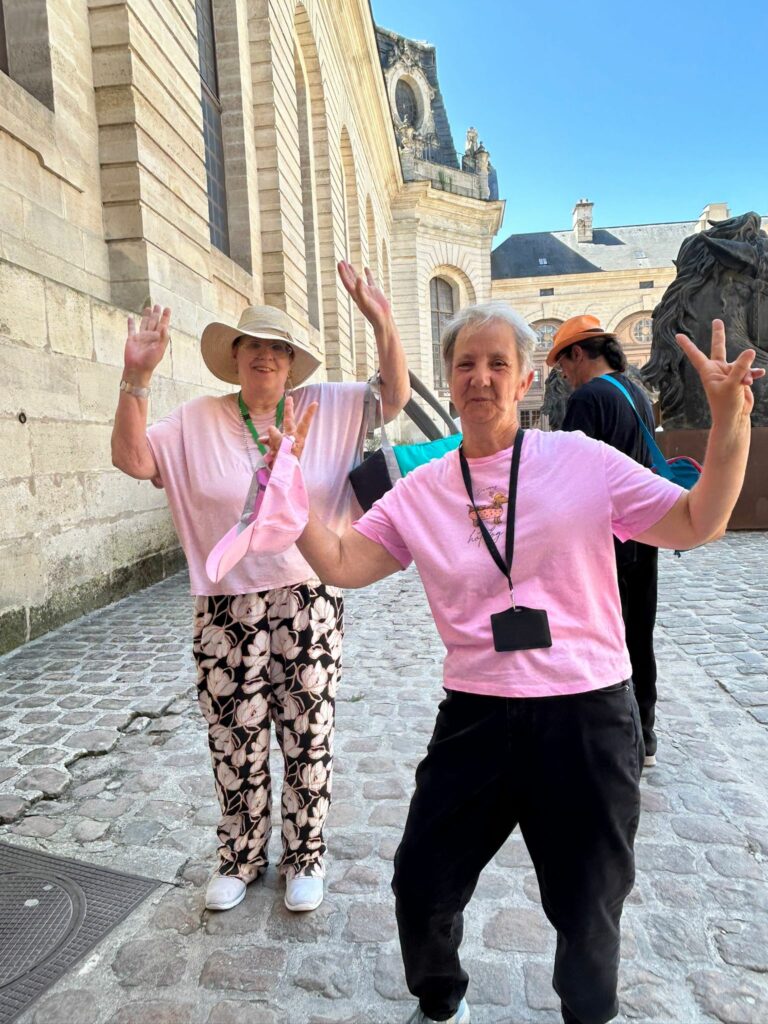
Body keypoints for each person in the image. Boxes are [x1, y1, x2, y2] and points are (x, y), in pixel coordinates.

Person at [275, 303, 760, 1024]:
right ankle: (440, 1004)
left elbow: (698, 520)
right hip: (476, 713)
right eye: (466, 364)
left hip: (586, 713)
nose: (480, 378)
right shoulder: (422, 489)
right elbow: (344, 562)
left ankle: (587, 1016)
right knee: (421, 883)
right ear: (448, 377)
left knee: (588, 907)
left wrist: (729, 425)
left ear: (526, 378)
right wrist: (289, 497)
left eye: (498, 363)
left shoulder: (582, 460)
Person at [111, 262, 410, 914]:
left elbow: (393, 398)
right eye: (254, 349)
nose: (265, 359)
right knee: (233, 737)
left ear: (291, 364)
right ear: (236, 358)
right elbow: (134, 460)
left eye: (278, 351)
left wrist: (382, 321)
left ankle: (306, 854)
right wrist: (136, 379)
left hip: (307, 595)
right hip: (225, 607)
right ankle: (240, 855)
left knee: (308, 734)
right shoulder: (195, 420)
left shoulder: (326, 407)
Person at [547, 315, 661, 766]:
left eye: (563, 365)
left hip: (603, 539)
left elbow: (570, 479)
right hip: (643, 532)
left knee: (601, 636)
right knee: (639, 633)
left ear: (580, 353)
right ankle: (645, 736)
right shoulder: (637, 394)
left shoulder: (588, 398)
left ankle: (613, 740)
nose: (564, 375)